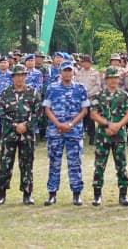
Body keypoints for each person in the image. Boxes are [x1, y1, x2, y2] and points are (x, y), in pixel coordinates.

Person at [0, 64, 42, 206]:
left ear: (25, 77)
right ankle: (1, 194)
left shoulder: (33, 93)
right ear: (13, 77)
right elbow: (0, 113)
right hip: (9, 134)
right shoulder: (5, 93)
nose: (20, 78)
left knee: (27, 163)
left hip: (27, 135)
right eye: (17, 76)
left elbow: (38, 113)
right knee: (5, 163)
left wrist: (26, 125)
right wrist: (15, 126)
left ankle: (27, 194)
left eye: (22, 75)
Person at [43, 62, 89, 206]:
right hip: (55, 131)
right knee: (54, 163)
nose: (67, 73)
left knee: (75, 163)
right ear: (60, 72)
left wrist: (70, 124)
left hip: (74, 131)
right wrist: (58, 124)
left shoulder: (80, 88)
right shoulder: (52, 88)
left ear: (73, 72)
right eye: (65, 71)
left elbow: (84, 110)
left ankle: (76, 194)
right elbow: (47, 109)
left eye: (70, 70)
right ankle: (52, 194)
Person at [90, 67, 128, 206]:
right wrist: (108, 124)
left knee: (121, 165)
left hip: (119, 134)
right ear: (106, 79)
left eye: (115, 77)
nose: (113, 80)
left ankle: (123, 195)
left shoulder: (124, 95)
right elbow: (93, 114)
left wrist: (117, 126)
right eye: (110, 78)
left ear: (119, 79)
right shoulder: (98, 95)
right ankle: (97, 195)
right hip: (103, 135)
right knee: (99, 165)